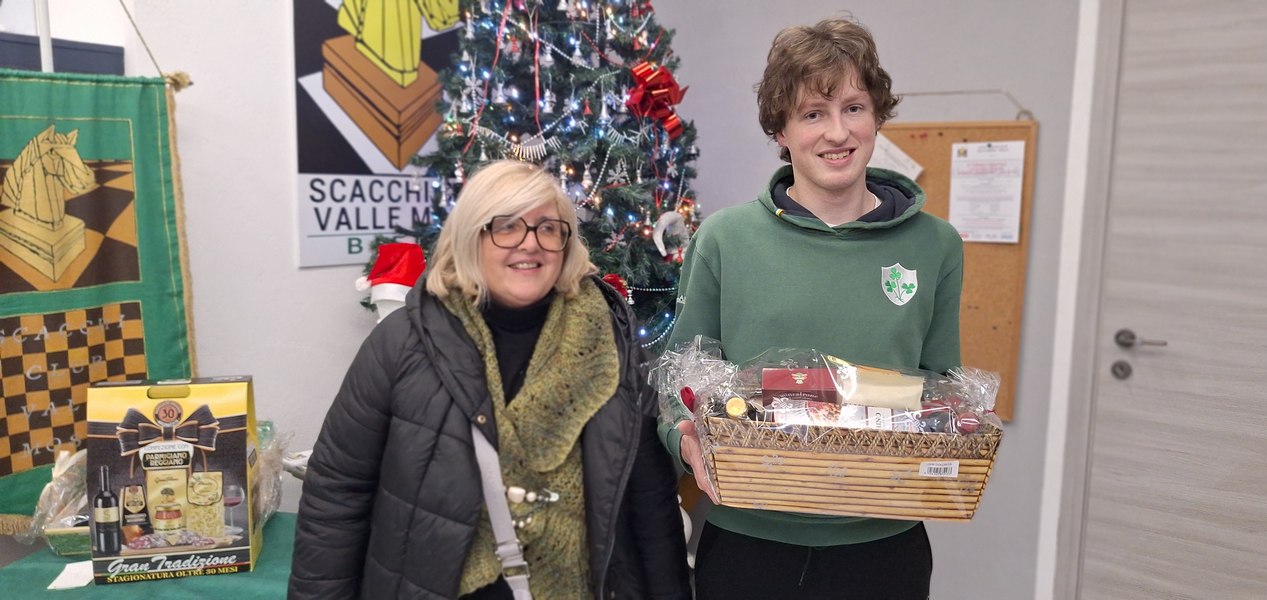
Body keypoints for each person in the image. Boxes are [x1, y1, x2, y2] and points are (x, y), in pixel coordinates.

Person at [658, 17, 963, 600]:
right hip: (748, 544)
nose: (837, 132)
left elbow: (943, 386)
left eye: (854, 108)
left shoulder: (936, 245)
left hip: (883, 546)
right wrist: (685, 437)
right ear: (781, 128)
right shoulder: (725, 239)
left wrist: (954, 431)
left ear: (877, 116)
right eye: (813, 113)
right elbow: (680, 383)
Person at [291, 160, 691, 600]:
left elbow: (650, 500)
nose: (530, 243)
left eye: (548, 228)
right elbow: (337, 495)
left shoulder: (612, 345)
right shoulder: (402, 343)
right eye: (507, 226)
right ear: (471, 237)